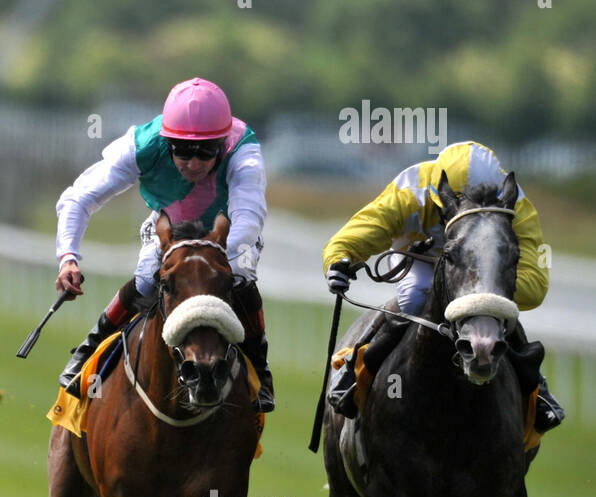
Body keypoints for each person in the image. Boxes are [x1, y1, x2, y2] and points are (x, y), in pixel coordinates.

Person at [53, 77, 274, 411]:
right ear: (167, 141)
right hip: (170, 225)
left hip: (225, 231)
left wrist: (215, 259)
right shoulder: (142, 145)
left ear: (223, 145)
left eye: (206, 152)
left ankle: (259, 364)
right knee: (145, 280)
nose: (194, 163)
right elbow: (79, 199)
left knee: (241, 275)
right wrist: (68, 257)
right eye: (183, 151)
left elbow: (247, 216)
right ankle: (91, 346)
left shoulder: (244, 150)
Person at [322, 141, 563, 431]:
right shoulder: (413, 188)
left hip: (483, 271)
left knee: (500, 314)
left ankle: (535, 388)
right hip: (421, 257)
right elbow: (362, 230)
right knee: (413, 297)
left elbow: (535, 282)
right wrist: (340, 260)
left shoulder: (516, 204)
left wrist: (484, 287)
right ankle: (356, 369)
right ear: (442, 189)